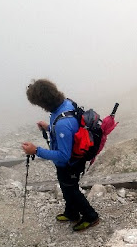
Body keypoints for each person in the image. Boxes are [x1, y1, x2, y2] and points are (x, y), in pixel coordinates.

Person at [21, 79, 100, 231]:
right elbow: (69, 128)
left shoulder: (63, 123)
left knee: (72, 190)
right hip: (72, 161)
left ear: (43, 103)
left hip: (70, 164)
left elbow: (64, 156)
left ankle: (91, 216)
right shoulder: (65, 104)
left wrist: (36, 150)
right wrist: (50, 127)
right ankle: (71, 213)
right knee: (66, 188)